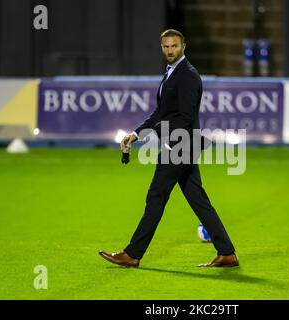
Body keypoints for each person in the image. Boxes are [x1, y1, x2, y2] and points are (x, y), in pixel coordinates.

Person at [99, 29, 238, 268]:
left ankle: (133, 254)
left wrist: (157, 133)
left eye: (174, 46)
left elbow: (184, 117)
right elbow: (161, 112)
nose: (170, 51)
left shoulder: (188, 75)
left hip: (180, 145)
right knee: (198, 200)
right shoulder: (172, 72)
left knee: (156, 197)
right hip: (181, 144)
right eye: (165, 47)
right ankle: (227, 253)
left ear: (184, 46)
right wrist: (136, 133)